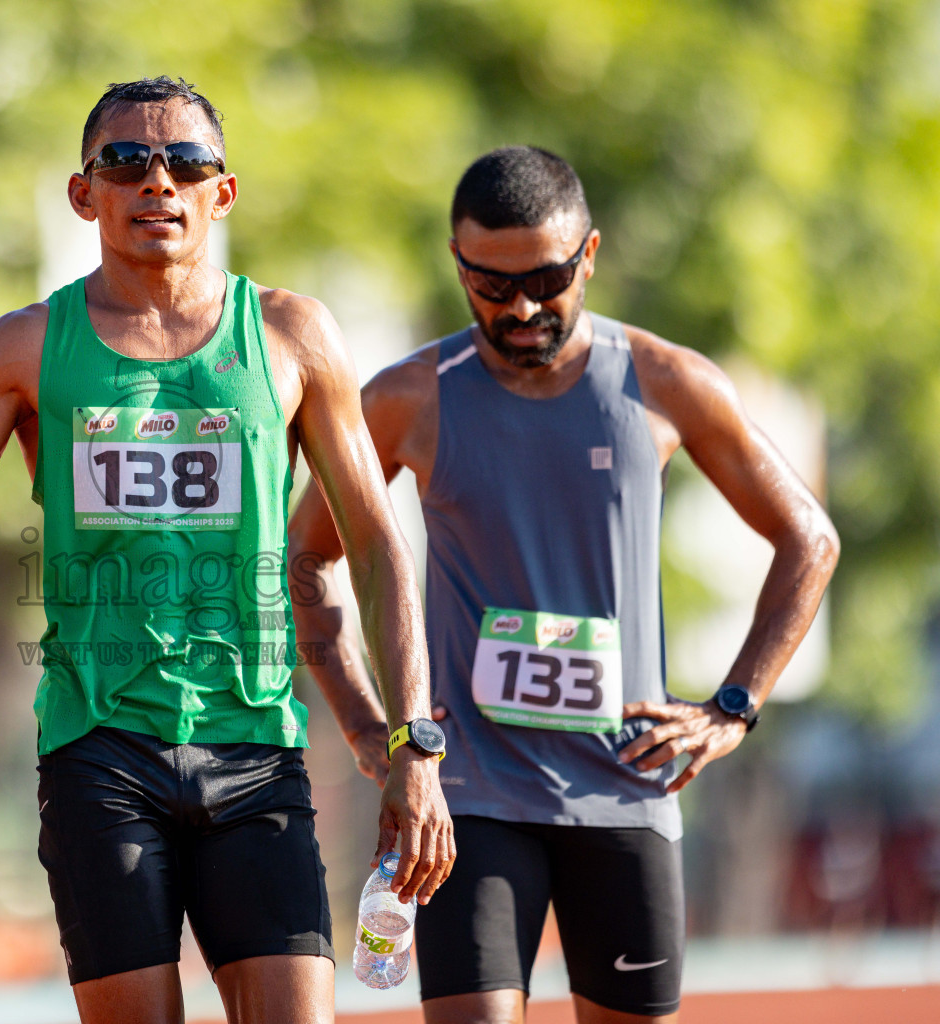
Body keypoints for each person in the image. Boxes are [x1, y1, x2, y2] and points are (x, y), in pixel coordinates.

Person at [0, 76, 454, 1024]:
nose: (157, 182)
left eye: (186, 162)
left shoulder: (294, 336)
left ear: (223, 192)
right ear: (83, 193)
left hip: (256, 746)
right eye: (126, 162)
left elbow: (376, 549)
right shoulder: (23, 347)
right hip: (100, 752)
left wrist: (414, 743)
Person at [288, 146, 839, 1024]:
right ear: (458, 264)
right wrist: (368, 725)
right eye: (491, 285)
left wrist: (734, 706)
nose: (522, 307)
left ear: (588, 254)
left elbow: (808, 539)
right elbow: (306, 555)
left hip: (624, 788)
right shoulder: (409, 398)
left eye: (546, 279)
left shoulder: (663, 382)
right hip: (468, 799)